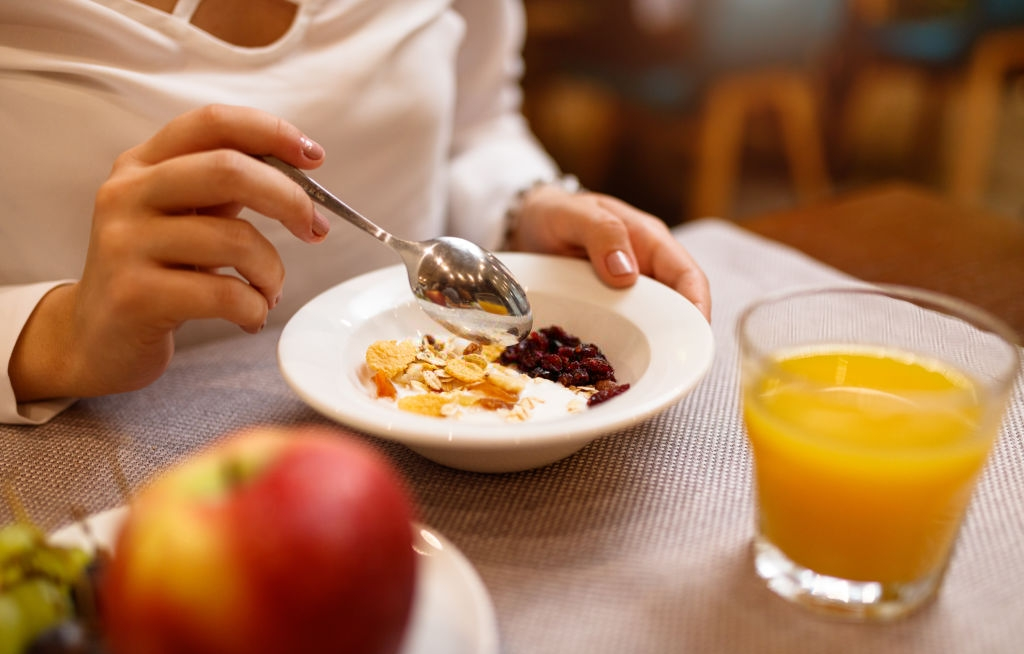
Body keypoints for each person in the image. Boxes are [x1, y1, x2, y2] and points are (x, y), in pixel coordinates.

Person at [0, 0, 710, 425]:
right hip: (86, 455)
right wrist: (57, 337)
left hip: (432, 435)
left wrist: (524, 207)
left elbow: (477, 126)